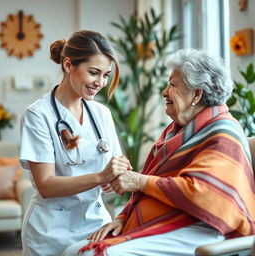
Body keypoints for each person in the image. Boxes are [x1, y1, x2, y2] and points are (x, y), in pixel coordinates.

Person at [63, 49, 255, 256]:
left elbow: (204, 193)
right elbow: (154, 186)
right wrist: (122, 218)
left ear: (197, 94)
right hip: (176, 220)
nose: (164, 92)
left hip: (207, 225)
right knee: (73, 250)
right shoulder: (178, 130)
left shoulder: (223, 132)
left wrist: (138, 181)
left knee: (90, 254)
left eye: (173, 85)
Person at [19, 30, 131, 256]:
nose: (100, 83)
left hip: (95, 223)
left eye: (106, 75)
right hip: (50, 230)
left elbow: (114, 170)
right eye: (93, 72)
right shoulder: (38, 115)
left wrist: (114, 178)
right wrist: (101, 177)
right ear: (68, 65)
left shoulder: (102, 114)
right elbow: (46, 185)